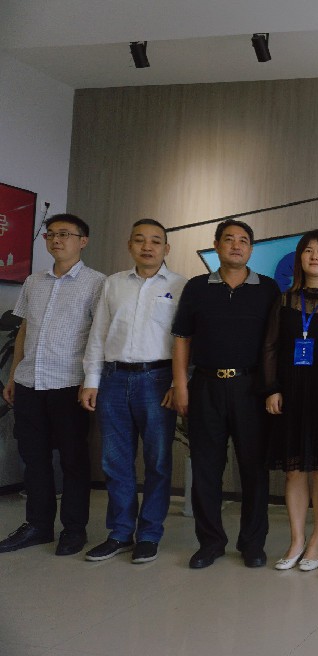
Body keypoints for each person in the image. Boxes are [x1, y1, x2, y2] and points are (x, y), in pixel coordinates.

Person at [171, 219, 281, 569]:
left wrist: (273, 389)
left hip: (251, 389)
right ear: (217, 245)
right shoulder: (197, 287)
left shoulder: (268, 289)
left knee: (254, 469)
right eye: (229, 239)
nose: (236, 245)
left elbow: (275, 345)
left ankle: (253, 543)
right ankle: (210, 542)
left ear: (251, 248)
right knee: (206, 468)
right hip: (205, 386)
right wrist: (180, 385)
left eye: (243, 240)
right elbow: (182, 338)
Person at [79, 219, 186, 564]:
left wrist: (178, 383)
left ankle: (150, 534)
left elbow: (186, 341)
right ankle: (121, 532)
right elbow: (98, 334)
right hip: (113, 379)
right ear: (130, 245)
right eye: (140, 240)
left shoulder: (181, 286)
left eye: (155, 241)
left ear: (166, 248)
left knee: (158, 461)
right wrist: (91, 380)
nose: (147, 246)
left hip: (158, 380)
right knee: (115, 461)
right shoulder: (113, 284)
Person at [0, 214, 105, 556]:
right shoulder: (34, 281)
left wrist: (90, 381)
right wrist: (14, 375)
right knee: (34, 459)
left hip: (69, 384)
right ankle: (38, 526)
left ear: (83, 241)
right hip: (30, 382)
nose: (56, 240)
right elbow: (24, 331)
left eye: (65, 234)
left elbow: (99, 337)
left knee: (73, 461)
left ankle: (74, 529)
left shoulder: (97, 283)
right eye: (51, 234)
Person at [262, 230, 318, 572]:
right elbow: (270, 347)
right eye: (308, 250)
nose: (314, 256)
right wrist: (272, 388)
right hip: (290, 394)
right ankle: (297, 539)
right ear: (299, 258)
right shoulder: (284, 300)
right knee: (294, 470)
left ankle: (317, 540)